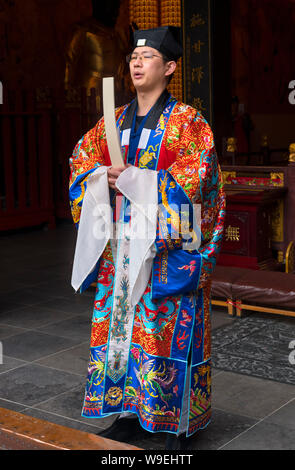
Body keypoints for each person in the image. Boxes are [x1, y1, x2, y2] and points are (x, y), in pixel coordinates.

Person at [69, 26, 226, 450]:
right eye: (134, 58)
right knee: (121, 329)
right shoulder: (112, 120)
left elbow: (197, 180)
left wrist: (139, 181)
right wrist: (100, 176)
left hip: (162, 248)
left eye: (149, 57)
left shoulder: (188, 123)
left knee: (163, 327)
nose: (137, 63)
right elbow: (81, 161)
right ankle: (124, 414)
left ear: (170, 67)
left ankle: (169, 421)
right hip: (120, 246)